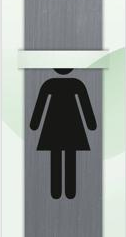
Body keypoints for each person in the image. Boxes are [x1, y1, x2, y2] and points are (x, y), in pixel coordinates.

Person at [30, 69, 97, 199]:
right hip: (72, 126)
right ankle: (69, 191)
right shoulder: (76, 83)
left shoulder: (49, 84)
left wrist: (35, 124)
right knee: (70, 158)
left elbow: (40, 105)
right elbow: (85, 105)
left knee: (56, 158)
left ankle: (56, 191)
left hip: (53, 126)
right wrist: (91, 124)